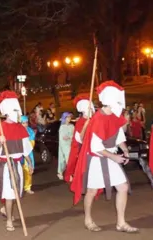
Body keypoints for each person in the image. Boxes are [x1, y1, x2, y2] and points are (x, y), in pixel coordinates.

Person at [71, 81, 137, 233]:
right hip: (97, 159)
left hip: (111, 156)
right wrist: (114, 157)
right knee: (92, 191)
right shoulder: (98, 119)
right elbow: (96, 147)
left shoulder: (113, 117)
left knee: (123, 187)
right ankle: (88, 219)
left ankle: (121, 222)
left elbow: (118, 135)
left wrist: (125, 150)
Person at [0, 91, 33, 232]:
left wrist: (30, 163)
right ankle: (9, 220)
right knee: (9, 195)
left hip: (17, 165)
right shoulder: (0, 128)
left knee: (16, 195)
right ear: (8, 111)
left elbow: (25, 148)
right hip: (6, 166)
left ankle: (7, 211)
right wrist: (0, 143)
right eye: (15, 110)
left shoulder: (20, 128)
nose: (18, 113)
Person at [64, 94, 93, 183]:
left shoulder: (93, 119)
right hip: (82, 149)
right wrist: (85, 125)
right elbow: (80, 138)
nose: (91, 110)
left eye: (91, 108)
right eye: (89, 109)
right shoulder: (80, 122)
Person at [20, 115, 36, 194]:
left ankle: (28, 187)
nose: (25, 124)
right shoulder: (17, 131)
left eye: (26, 122)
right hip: (19, 155)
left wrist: (26, 148)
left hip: (28, 154)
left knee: (28, 171)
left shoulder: (30, 131)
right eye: (23, 123)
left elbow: (32, 143)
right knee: (19, 172)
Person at [57, 112, 74, 180]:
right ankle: (66, 174)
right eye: (67, 117)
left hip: (71, 144)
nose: (69, 118)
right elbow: (63, 138)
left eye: (70, 117)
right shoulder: (62, 126)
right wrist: (70, 137)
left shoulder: (72, 126)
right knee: (64, 160)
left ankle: (68, 173)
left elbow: (74, 135)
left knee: (68, 160)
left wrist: (70, 137)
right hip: (64, 145)